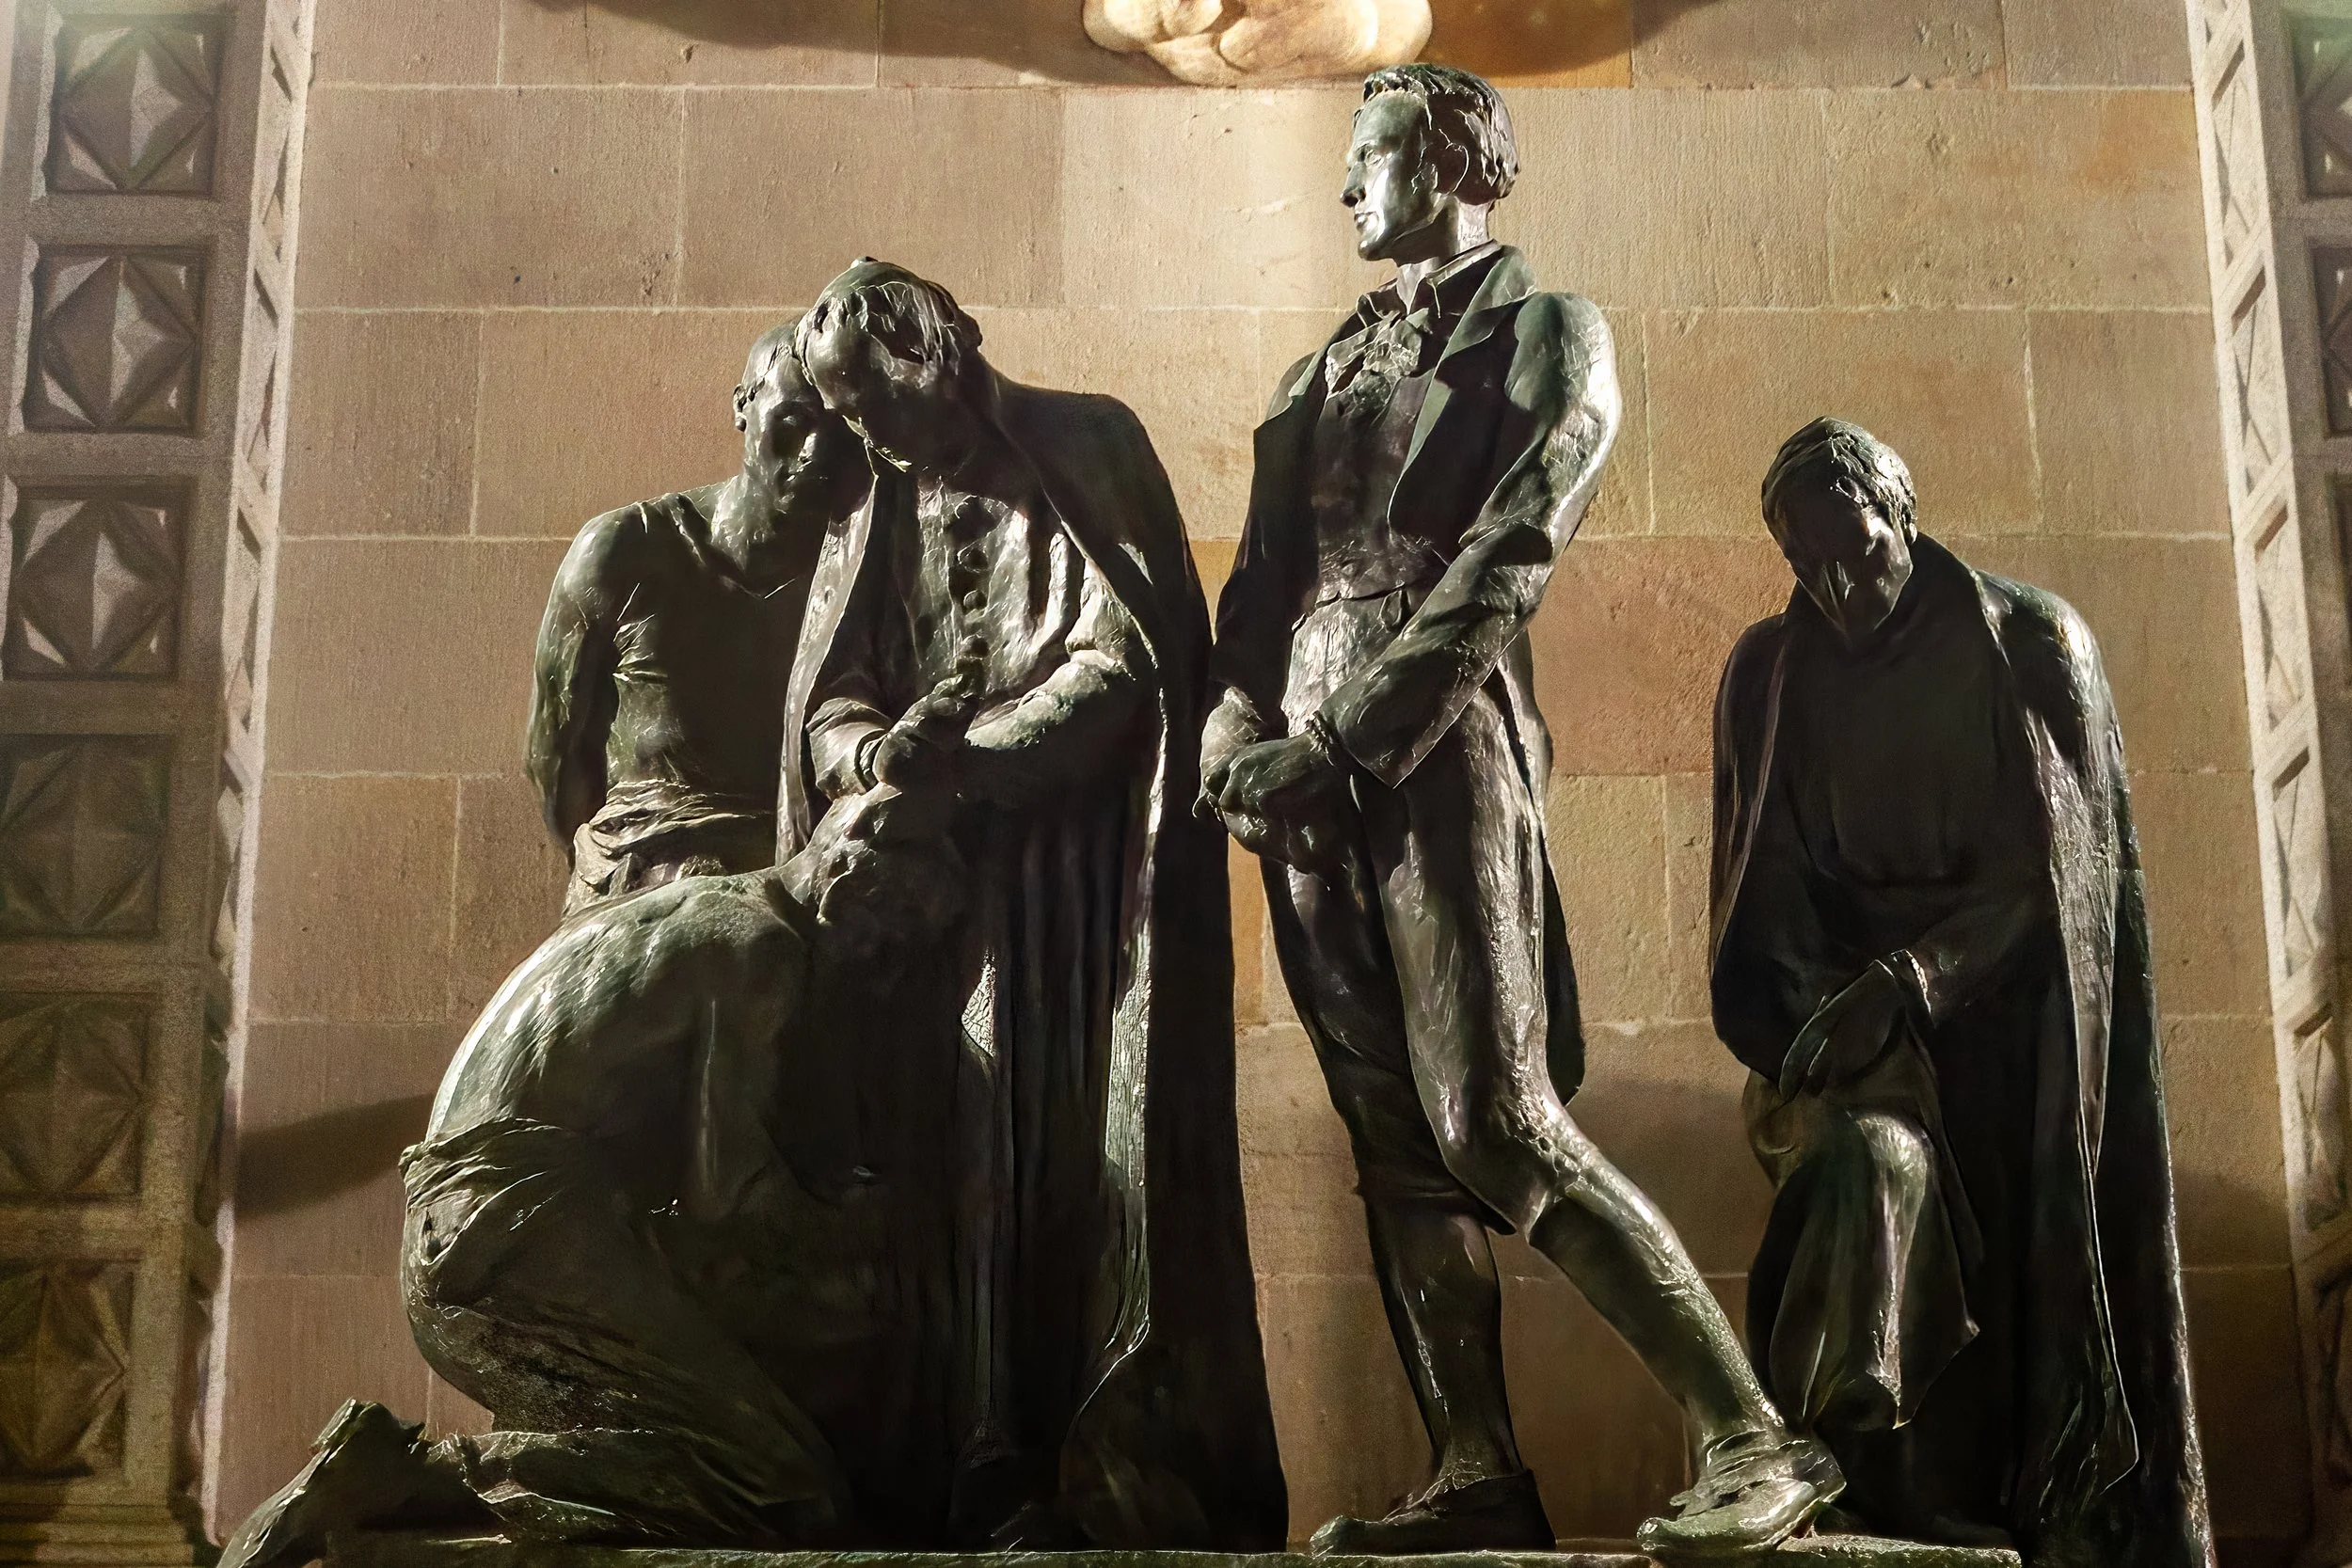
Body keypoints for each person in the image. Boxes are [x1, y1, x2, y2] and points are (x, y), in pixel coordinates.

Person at [1199, 64, 1839, 1557]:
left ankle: (1751, 1429)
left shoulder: (1549, 331)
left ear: (1450, 155)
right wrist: (1239, 727)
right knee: (1387, 1129)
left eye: (1368, 153)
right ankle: (1476, 1460)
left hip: (1430, 737)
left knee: (1492, 1110)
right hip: (1297, 759)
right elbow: (1253, 589)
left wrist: (1351, 746)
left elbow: (1515, 542)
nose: (1346, 184)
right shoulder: (1310, 380)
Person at [780, 258, 1288, 1550]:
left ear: (925, 344)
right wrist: (867, 757)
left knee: (1063, 1152)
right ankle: (942, 1459)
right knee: (934, 1167)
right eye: (835, 415)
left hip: (1077, 884)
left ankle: (1070, 1458)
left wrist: (975, 760)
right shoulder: (874, 509)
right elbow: (830, 693)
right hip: (919, 902)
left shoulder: (1085, 442)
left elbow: (1130, 660)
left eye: (862, 399)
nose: (858, 432)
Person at [217, 786, 969, 1566]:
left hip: (473, 1228)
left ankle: (404, 1478)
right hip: (518, 1232)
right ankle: (408, 1476)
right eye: (897, 928)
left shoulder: (697, 909)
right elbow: (727, 1195)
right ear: (849, 882)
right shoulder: (761, 949)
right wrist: (868, 1231)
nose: (890, 957)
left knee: (724, 1433)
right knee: (779, 1486)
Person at [1708, 418, 2214, 1564]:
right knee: (1867, 1162)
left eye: (1856, 547)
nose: (1836, 587)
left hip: (2012, 1021)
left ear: (1905, 513)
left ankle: (2001, 1497)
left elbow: (2067, 878)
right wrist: (1831, 1020)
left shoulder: (2026, 640)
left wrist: (1915, 979)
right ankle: (1860, 1472)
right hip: (1844, 1031)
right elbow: (1756, 898)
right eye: (1805, 564)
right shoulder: (1767, 673)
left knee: (2023, 1240)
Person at [527, 320, 870, 914]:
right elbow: (553, 757)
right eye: (791, 421)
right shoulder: (622, 550)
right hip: (639, 880)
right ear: (744, 407)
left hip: (793, 895)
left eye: (838, 429)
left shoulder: (863, 574)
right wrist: (617, 866)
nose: (816, 452)